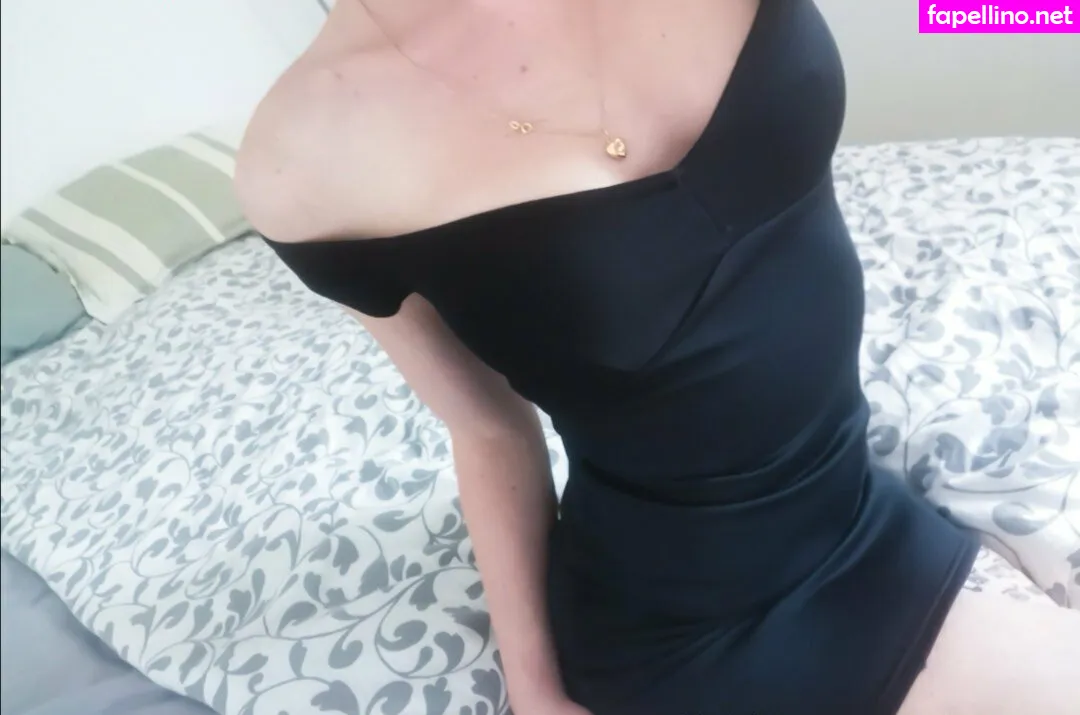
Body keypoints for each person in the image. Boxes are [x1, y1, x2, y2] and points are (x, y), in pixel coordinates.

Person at [234, 1, 1080, 713]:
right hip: (691, 618)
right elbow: (486, 428)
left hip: (859, 505)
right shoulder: (305, 157)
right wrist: (535, 689)